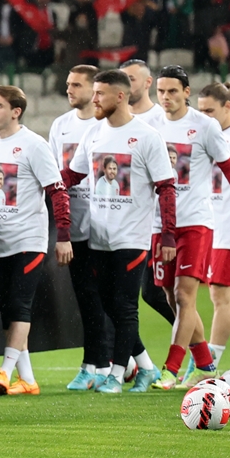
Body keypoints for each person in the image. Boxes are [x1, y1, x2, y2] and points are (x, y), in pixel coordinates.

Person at [59, 69, 174, 394]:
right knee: (108, 304)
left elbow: (166, 187)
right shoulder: (94, 133)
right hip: (99, 237)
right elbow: (72, 175)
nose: (94, 99)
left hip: (131, 237)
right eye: (93, 92)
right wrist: (44, 185)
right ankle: (147, 368)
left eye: (100, 94)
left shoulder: (147, 136)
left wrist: (167, 236)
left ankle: (115, 374)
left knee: (124, 306)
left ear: (120, 96)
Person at [145, 67, 230, 390]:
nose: (166, 98)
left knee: (185, 293)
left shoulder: (205, 127)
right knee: (170, 297)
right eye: (161, 92)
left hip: (196, 222)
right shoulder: (149, 126)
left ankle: (171, 368)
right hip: (160, 223)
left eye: (173, 91)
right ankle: (205, 363)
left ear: (186, 92)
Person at [0, 86, 72, 396]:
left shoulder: (33, 145)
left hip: (28, 239)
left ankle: (5, 369)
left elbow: (57, 190)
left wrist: (63, 236)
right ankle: (27, 379)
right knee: (6, 310)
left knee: (20, 306)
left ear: (16, 111)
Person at [50, 65, 117, 391]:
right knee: (86, 299)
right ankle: (99, 363)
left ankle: (105, 364)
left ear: (95, 90)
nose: (70, 89)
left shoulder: (108, 128)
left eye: (77, 84)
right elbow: (54, 179)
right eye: (68, 83)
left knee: (108, 299)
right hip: (74, 226)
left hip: (106, 226)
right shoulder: (60, 126)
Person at [196, 82, 230, 372]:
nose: (204, 117)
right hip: (208, 224)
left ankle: (208, 365)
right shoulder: (206, 135)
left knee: (219, 294)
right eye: (200, 111)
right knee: (225, 295)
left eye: (210, 111)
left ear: (227, 107)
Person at [118, 58, 171, 330]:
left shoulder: (162, 122)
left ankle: (196, 347)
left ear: (148, 83)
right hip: (123, 222)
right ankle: (130, 361)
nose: (127, 84)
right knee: (121, 295)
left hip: (156, 223)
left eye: (132, 78)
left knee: (155, 293)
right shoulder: (116, 120)